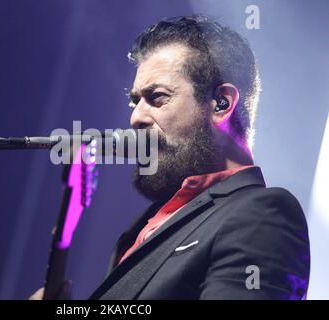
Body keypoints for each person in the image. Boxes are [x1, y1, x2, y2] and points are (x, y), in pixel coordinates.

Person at [32, 15, 310, 300]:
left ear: (221, 104)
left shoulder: (262, 215)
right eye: (135, 100)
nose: (135, 117)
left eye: (157, 97)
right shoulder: (146, 223)